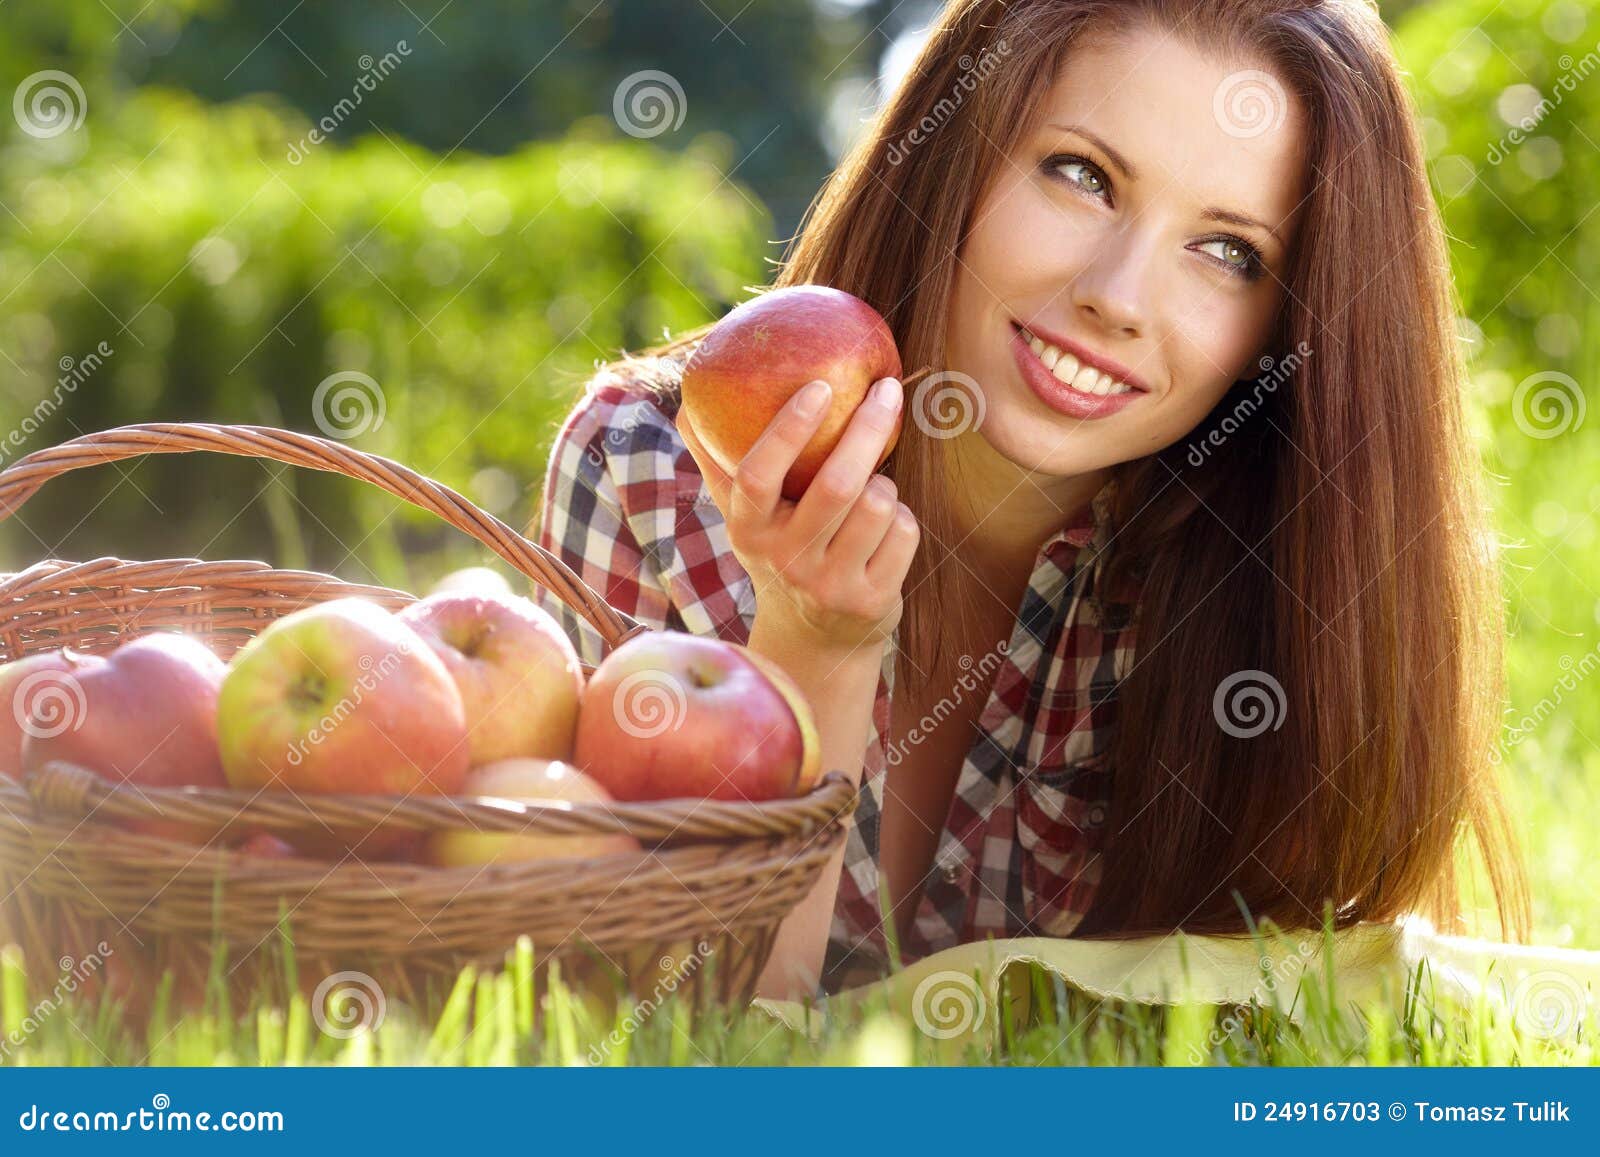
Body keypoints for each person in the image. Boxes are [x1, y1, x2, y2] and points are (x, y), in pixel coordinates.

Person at [532, 0, 1529, 1003]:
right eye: (1082, 176)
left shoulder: (1272, 590)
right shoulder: (652, 470)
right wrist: (815, 648)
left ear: (1285, 327)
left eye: (1228, 251)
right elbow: (682, 1027)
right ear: (952, 160)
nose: (1118, 295)